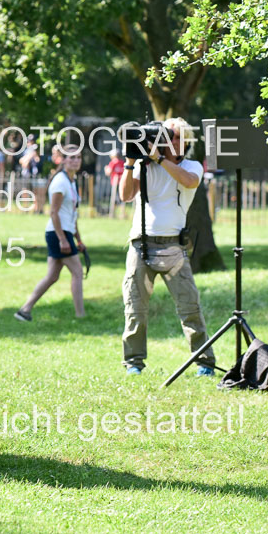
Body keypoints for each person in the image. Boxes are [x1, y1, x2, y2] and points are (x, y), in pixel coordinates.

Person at [118, 117, 214, 376]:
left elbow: (190, 182)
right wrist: (129, 162)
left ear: (184, 141)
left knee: (189, 308)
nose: (167, 140)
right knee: (135, 307)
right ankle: (133, 363)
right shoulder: (144, 166)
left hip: (174, 247)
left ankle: (205, 363)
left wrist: (160, 159)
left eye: (172, 136)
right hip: (140, 245)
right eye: (164, 135)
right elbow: (125, 195)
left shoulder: (192, 165)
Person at [14, 144, 85, 321]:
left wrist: (79, 239)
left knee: (52, 276)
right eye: (71, 157)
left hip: (64, 232)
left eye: (78, 157)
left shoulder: (71, 181)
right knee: (77, 272)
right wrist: (63, 239)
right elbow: (53, 212)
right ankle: (81, 315)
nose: (75, 161)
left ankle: (25, 309)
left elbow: (72, 215)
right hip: (57, 233)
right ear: (63, 160)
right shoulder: (60, 181)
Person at [105, 149, 125, 218]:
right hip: (122, 183)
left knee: (115, 199)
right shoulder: (122, 162)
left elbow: (108, 172)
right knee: (121, 198)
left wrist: (106, 169)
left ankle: (113, 213)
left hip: (115, 183)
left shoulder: (113, 162)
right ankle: (121, 213)